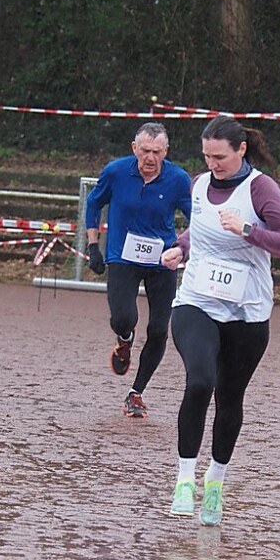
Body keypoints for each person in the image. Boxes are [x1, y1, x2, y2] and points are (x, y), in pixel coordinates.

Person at [160, 115, 280, 526]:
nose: (213, 164)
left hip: (247, 311)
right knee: (199, 381)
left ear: (241, 150)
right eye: (207, 156)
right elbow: (200, 230)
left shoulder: (261, 189)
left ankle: (215, 482)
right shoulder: (198, 184)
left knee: (229, 397)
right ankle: (184, 479)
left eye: (220, 157)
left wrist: (248, 230)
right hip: (197, 300)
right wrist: (181, 248)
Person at [85, 122, 192, 418]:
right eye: (145, 151)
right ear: (134, 148)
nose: (150, 158)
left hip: (162, 261)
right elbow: (93, 204)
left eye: (157, 152)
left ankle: (136, 392)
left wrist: (183, 248)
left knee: (159, 330)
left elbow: (198, 220)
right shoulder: (116, 172)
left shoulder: (178, 179)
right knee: (123, 318)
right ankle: (125, 339)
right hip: (123, 257)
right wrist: (93, 246)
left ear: (166, 151)